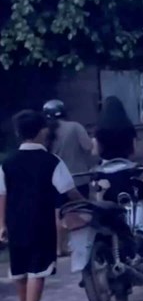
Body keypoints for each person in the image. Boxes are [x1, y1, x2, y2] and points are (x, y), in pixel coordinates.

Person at [0, 110, 83, 301]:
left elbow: (2, 194)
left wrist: (1, 224)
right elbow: (69, 191)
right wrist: (85, 202)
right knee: (38, 268)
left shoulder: (7, 162)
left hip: (14, 222)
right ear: (42, 132)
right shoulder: (51, 161)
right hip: (40, 221)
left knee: (18, 268)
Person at [42, 99, 93, 257]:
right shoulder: (75, 127)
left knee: (58, 213)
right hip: (79, 178)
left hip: (55, 181)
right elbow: (88, 147)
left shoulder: (44, 132)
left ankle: (59, 248)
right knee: (83, 212)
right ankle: (84, 246)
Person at [95, 96, 138, 161]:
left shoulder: (100, 128)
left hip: (106, 164)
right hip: (125, 163)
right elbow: (133, 149)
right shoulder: (128, 127)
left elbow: (96, 150)